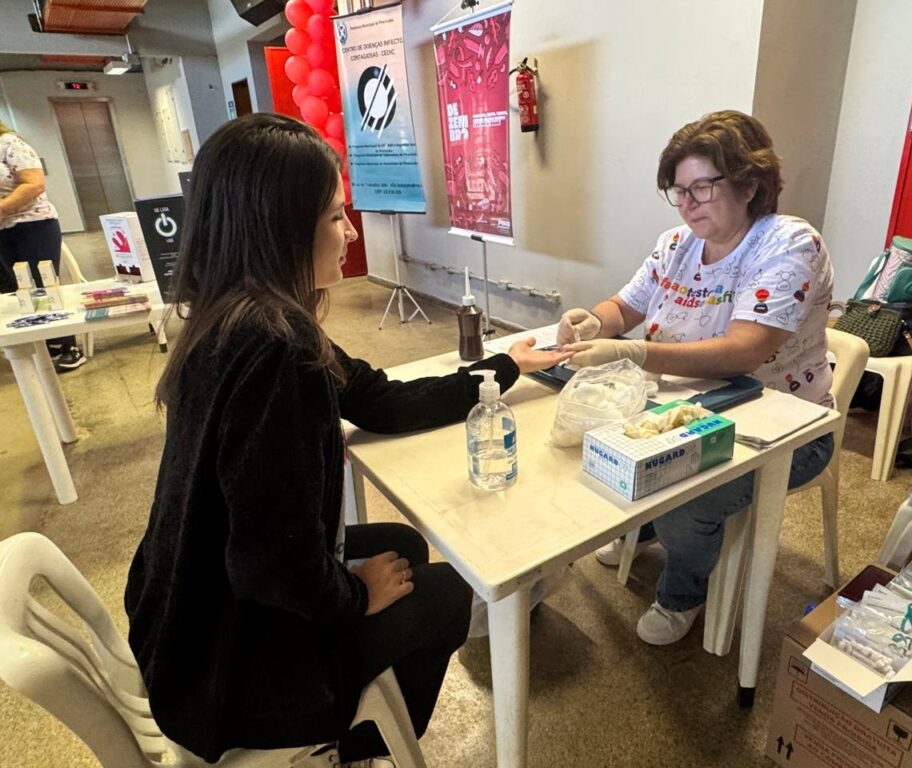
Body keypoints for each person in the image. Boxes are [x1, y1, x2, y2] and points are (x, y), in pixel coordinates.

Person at [123, 113, 571, 767]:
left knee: (403, 545)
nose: (351, 232)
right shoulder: (276, 349)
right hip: (228, 672)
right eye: (335, 216)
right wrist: (355, 596)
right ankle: (348, 746)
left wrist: (504, 369)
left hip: (183, 616)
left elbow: (381, 400)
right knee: (446, 593)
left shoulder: (235, 314)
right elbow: (269, 566)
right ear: (279, 223)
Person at [558, 110, 835, 646]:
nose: (687, 204)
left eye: (702, 188)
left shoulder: (788, 243)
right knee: (593, 438)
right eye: (678, 191)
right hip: (685, 407)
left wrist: (636, 351)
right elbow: (626, 304)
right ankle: (646, 528)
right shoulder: (676, 244)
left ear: (751, 184)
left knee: (691, 489)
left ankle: (681, 591)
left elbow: (746, 351)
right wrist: (594, 319)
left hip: (784, 426)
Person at [0, 121, 85, 370]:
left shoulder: (9, 144)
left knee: (44, 284)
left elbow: (34, 184)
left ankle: (68, 345)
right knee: (13, 288)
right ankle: (37, 341)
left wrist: (2, 209)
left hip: (32, 224)